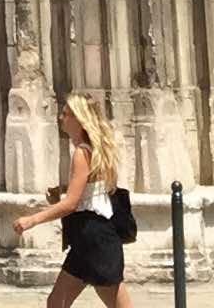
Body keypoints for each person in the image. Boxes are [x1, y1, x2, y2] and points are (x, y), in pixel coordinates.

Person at [13, 91, 132, 307]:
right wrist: (65, 189)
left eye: (66, 114)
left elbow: (71, 204)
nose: (61, 118)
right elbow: (91, 189)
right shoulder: (93, 150)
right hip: (89, 237)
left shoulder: (81, 153)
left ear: (79, 119)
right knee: (56, 302)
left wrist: (32, 220)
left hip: (96, 239)